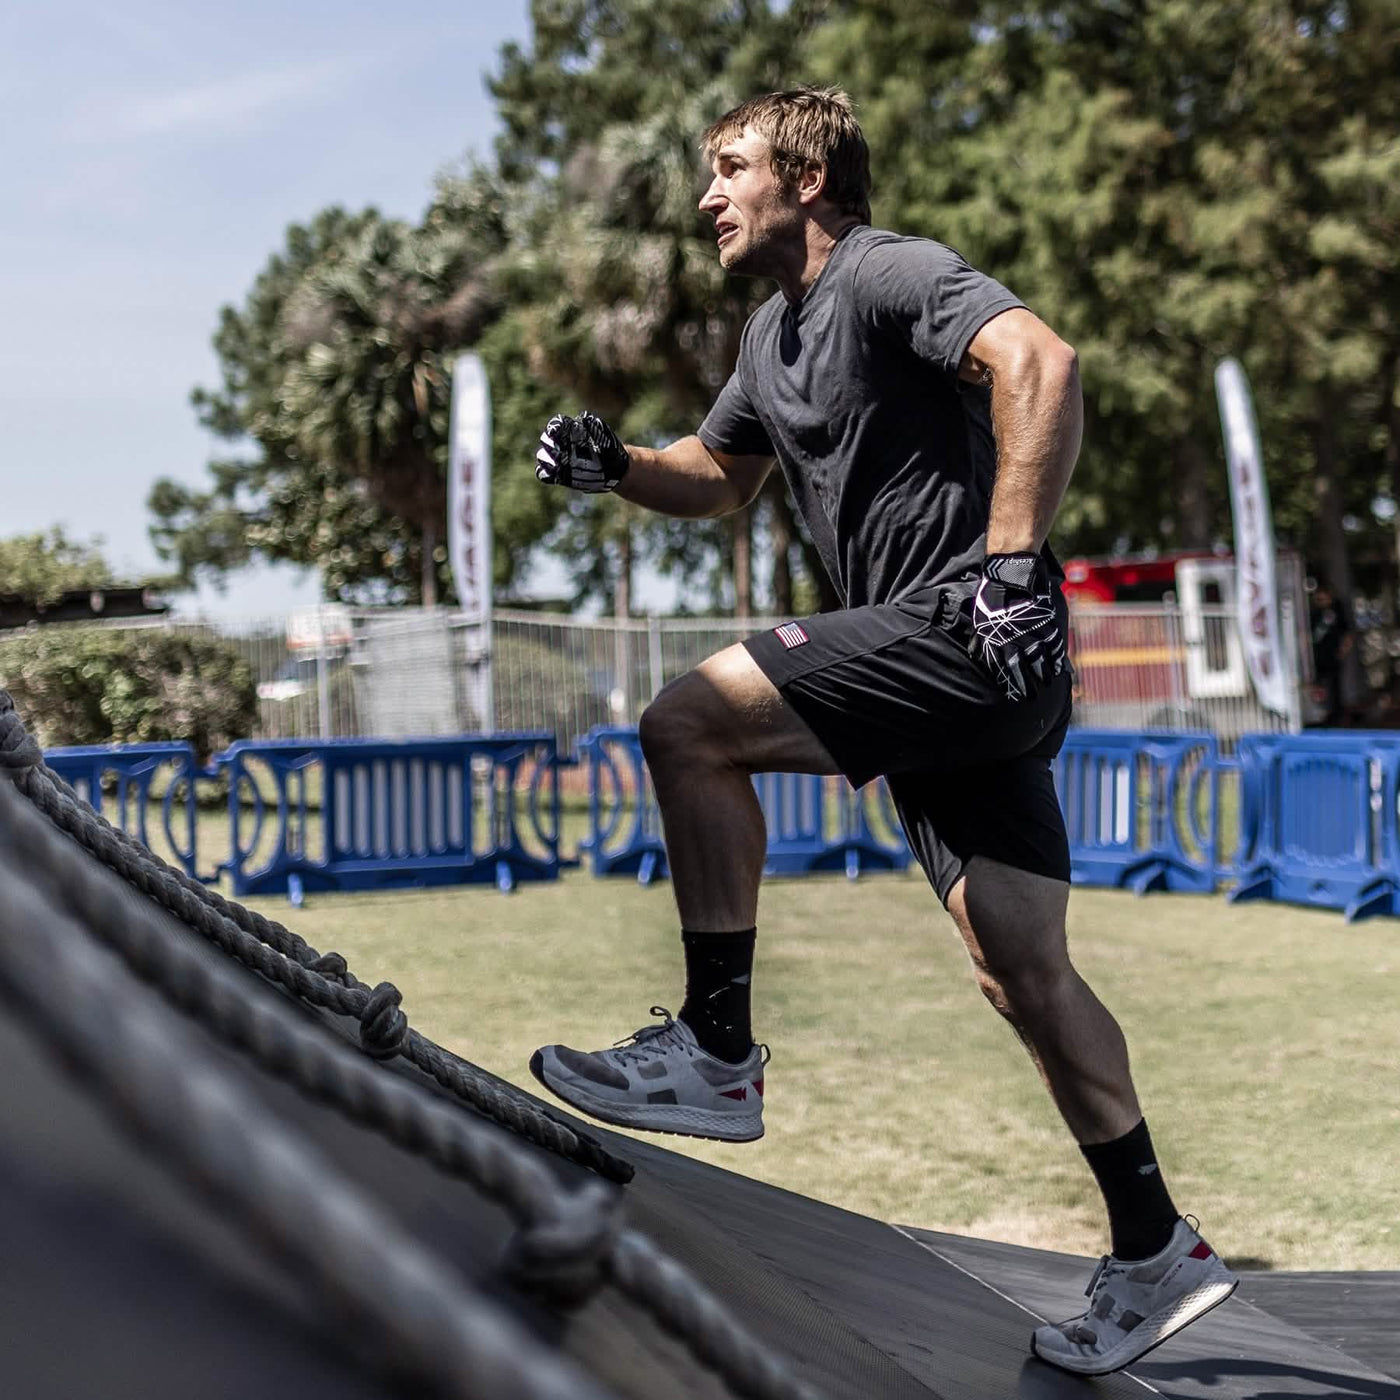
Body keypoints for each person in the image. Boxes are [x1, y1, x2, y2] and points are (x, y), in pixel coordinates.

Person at [527, 87, 1236, 1375]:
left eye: (728, 168)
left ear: (804, 178)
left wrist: (1013, 567)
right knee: (1021, 969)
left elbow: (1043, 362)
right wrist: (615, 463)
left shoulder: (886, 272)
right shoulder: (770, 331)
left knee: (687, 725)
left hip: (969, 628)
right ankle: (1156, 1249)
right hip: (951, 682)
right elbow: (722, 472)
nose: (706, 198)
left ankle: (719, 1048)